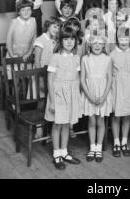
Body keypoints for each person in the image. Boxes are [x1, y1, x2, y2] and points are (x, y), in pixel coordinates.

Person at [45, 27, 82, 170]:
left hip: (72, 93)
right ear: (60, 41)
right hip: (59, 94)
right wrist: (53, 101)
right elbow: (50, 79)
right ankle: (56, 154)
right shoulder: (56, 57)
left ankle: (64, 152)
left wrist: (77, 96)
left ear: (75, 41)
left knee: (67, 123)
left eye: (72, 39)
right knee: (57, 124)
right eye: (65, 39)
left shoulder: (76, 57)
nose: (69, 42)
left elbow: (77, 78)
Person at [81, 35, 112, 163]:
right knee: (92, 121)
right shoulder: (85, 59)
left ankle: (99, 148)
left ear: (104, 46)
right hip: (90, 93)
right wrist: (90, 96)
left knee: (101, 121)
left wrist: (104, 96)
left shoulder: (107, 58)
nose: (97, 46)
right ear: (90, 45)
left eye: (100, 43)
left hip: (103, 93)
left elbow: (110, 79)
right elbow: (82, 79)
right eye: (94, 43)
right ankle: (92, 147)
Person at [110, 32, 130, 157]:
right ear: (117, 40)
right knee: (116, 115)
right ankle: (116, 142)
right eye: (121, 39)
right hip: (117, 86)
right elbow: (109, 72)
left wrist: (128, 79)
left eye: (126, 39)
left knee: (127, 115)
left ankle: (124, 142)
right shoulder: (112, 54)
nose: (123, 42)